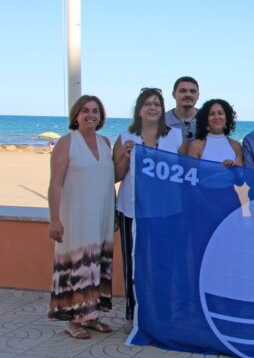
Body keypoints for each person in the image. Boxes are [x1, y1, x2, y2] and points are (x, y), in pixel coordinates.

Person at [113, 88, 184, 326]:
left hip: (165, 211)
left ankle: (162, 311)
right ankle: (135, 312)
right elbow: (116, 174)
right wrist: (124, 155)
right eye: (147, 104)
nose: (152, 108)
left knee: (164, 261)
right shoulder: (125, 136)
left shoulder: (175, 136)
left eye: (157, 104)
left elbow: (185, 172)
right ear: (139, 109)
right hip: (132, 209)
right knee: (132, 262)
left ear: (162, 110)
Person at [48, 95, 115, 339]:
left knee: (96, 262)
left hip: (102, 215)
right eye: (85, 111)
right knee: (76, 264)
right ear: (76, 115)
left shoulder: (106, 142)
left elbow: (109, 179)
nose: (91, 115)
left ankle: (91, 316)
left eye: (95, 111)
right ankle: (72, 321)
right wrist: (54, 219)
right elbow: (55, 184)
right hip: (75, 215)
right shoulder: (66, 143)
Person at [187, 99, 243, 166]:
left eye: (220, 113)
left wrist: (233, 167)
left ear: (227, 117)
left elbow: (241, 174)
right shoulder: (195, 146)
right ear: (205, 119)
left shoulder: (236, 146)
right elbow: (191, 174)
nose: (216, 117)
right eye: (211, 114)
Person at [165, 76, 200, 143]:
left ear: (198, 95)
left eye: (192, 91)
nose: (188, 94)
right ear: (173, 94)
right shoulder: (162, 122)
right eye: (183, 91)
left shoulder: (208, 121)